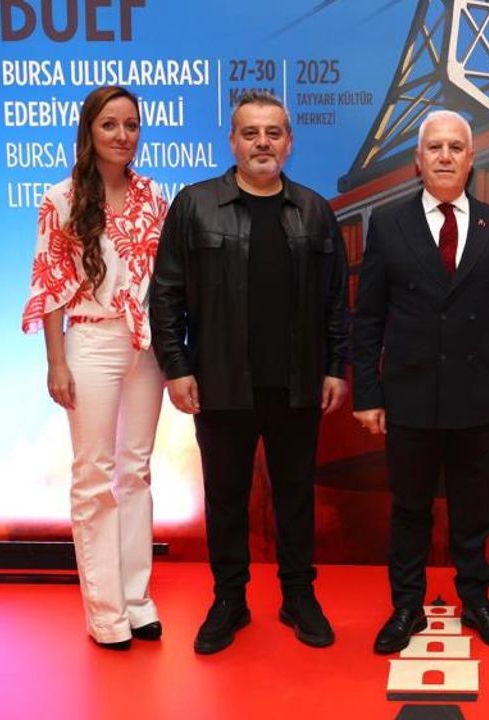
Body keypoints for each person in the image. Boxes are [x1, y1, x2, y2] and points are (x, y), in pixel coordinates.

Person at [149, 90, 349, 655]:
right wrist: (176, 368)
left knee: (295, 498)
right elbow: (165, 294)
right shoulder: (195, 205)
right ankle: (229, 601)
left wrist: (337, 366)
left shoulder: (314, 210)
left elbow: (337, 301)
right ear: (232, 142)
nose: (263, 142)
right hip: (220, 382)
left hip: (298, 384)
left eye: (273, 133)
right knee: (226, 498)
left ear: (289, 142)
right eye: (251, 133)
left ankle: (298, 596)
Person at [352, 110, 489, 653]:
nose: (446, 156)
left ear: (471, 160)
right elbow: (369, 318)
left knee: (474, 509)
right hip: (409, 396)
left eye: (456, 147)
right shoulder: (388, 224)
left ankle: (476, 599)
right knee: (409, 509)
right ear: (419, 159)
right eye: (435, 148)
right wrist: (368, 394)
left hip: (478, 396)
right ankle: (406, 605)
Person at [22, 85, 168, 650]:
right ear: (89, 130)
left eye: (131, 125)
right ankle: (106, 614)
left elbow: (166, 277)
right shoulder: (61, 199)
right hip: (89, 342)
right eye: (110, 125)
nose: (122, 135)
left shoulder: (154, 195)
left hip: (145, 346)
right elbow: (48, 284)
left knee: (135, 471)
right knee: (93, 477)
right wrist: (56, 361)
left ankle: (137, 601)